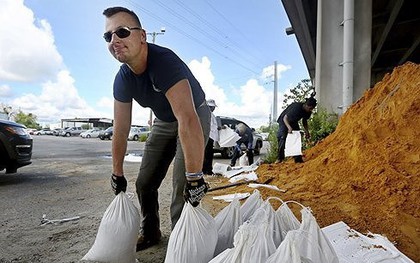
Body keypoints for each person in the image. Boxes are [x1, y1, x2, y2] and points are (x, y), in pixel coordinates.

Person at [103, 7, 211, 251]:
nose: (115, 40)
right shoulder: (123, 79)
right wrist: (117, 172)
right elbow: (120, 129)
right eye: (108, 36)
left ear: (142, 36)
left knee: (183, 186)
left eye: (121, 31)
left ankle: (183, 247)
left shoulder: (164, 63)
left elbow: (187, 118)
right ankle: (150, 232)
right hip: (164, 120)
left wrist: (195, 178)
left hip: (194, 114)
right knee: (144, 182)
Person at [276, 96, 317, 163]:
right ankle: (280, 158)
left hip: (294, 121)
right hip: (284, 121)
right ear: (306, 105)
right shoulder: (296, 108)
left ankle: (298, 159)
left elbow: (304, 121)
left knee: (296, 137)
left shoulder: (308, 111)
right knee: (282, 137)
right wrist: (289, 127)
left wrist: (307, 131)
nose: (310, 110)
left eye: (312, 109)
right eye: (310, 108)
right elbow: (285, 118)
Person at [202, 99, 219, 175]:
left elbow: (214, 127)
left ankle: (207, 169)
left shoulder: (211, 114)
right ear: (209, 107)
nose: (214, 108)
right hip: (207, 136)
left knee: (208, 154)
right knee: (207, 154)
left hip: (211, 137)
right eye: (213, 107)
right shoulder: (206, 114)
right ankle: (206, 170)